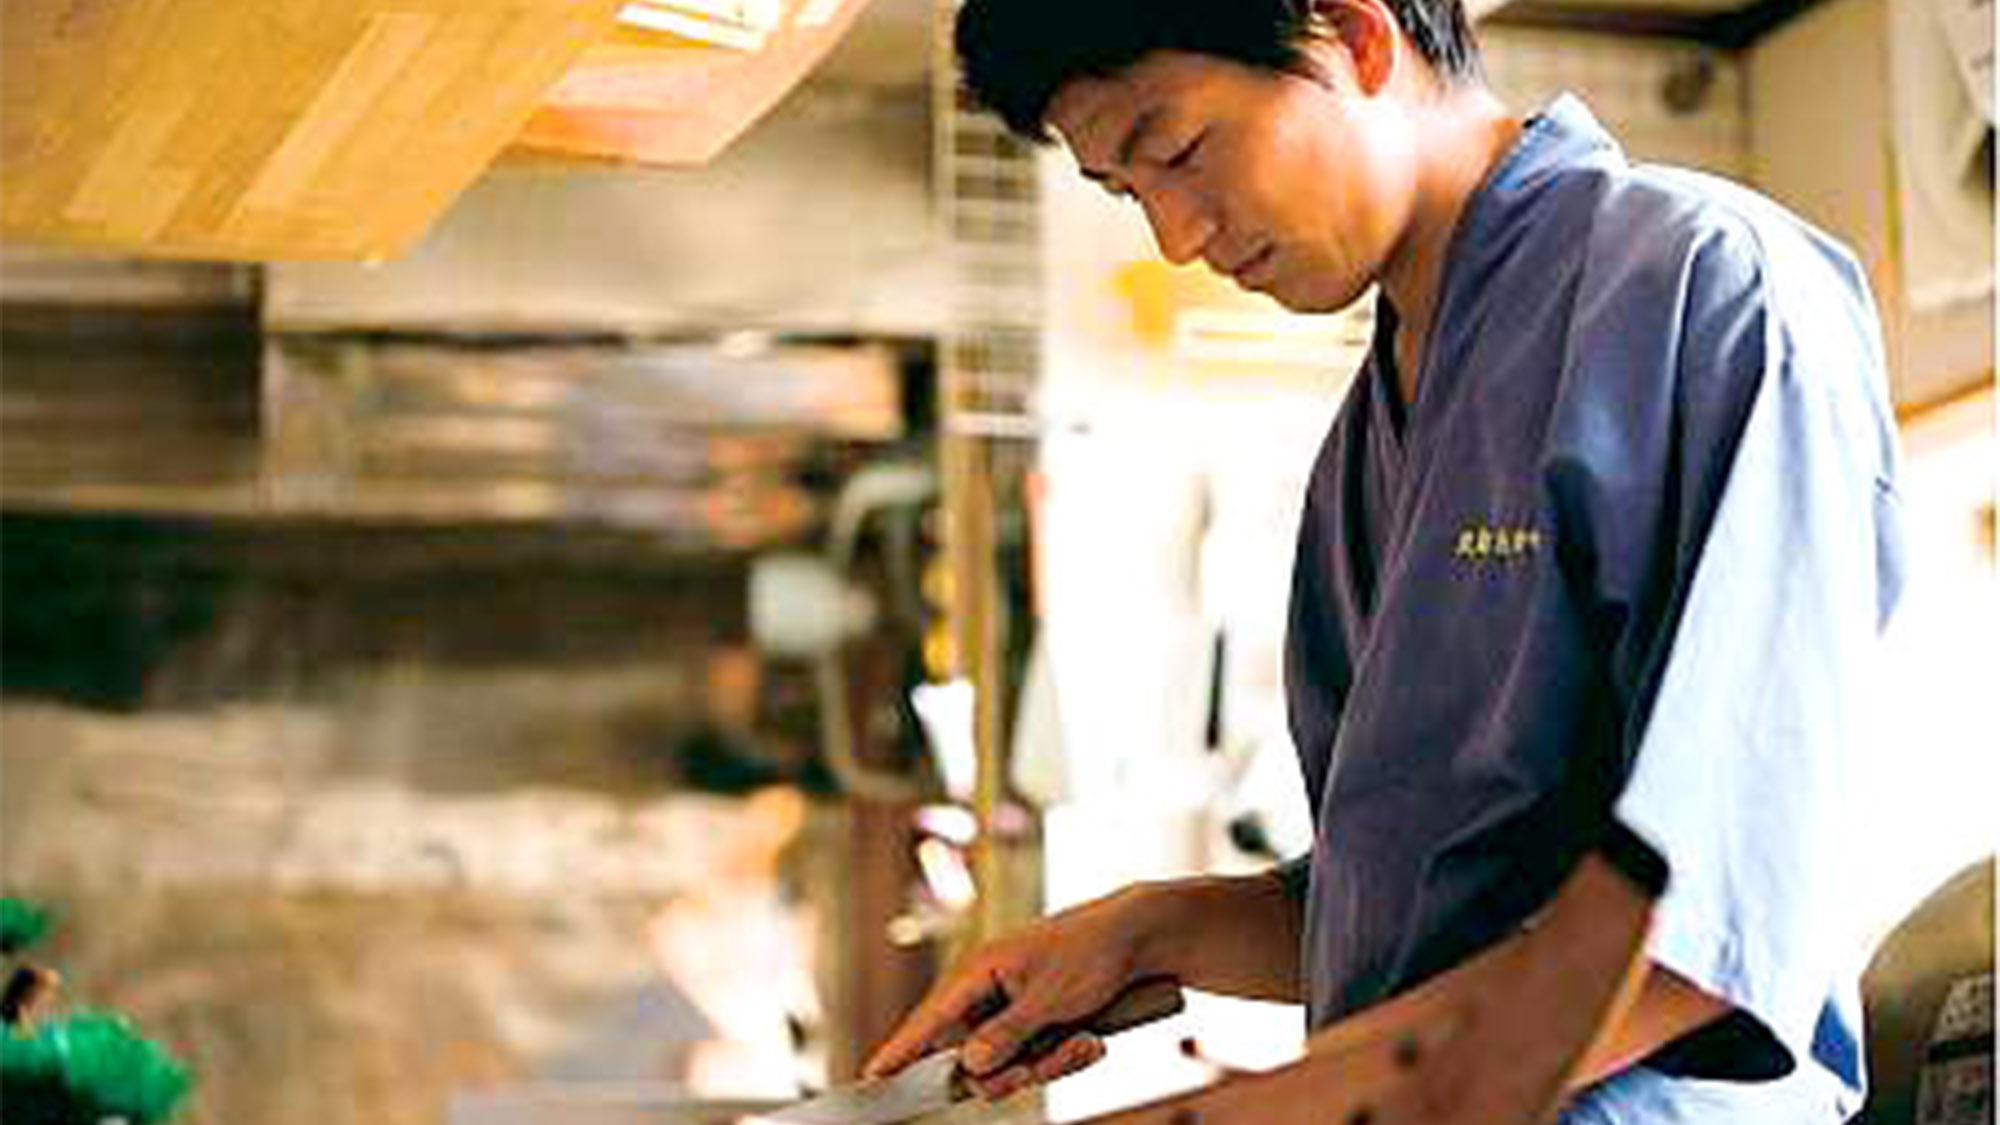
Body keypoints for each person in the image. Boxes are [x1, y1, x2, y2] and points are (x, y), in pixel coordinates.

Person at [865, 0, 1909, 1121]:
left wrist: (1239, 1114)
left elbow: (1709, 930)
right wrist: (1145, 930)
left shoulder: (1702, 289)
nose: (1173, 236)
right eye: (1128, 191)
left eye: (1174, 150)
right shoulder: (1363, 450)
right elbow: (1417, 918)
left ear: (1353, 37)